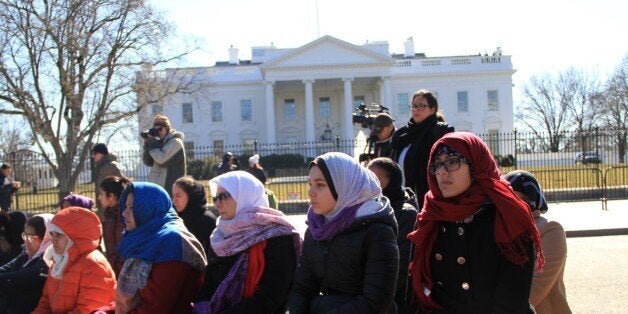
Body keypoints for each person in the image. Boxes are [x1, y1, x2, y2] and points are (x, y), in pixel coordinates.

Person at [407, 132, 543, 313]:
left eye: (452, 161)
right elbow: (415, 289)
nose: (441, 171)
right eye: (437, 164)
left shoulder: (508, 215)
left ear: (476, 166)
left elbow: (511, 302)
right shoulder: (431, 215)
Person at [287, 152, 399, 313]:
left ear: (344, 185)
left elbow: (375, 301)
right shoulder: (316, 229)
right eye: (310, 184)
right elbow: (302, 288)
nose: (311, 192)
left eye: (320, 185)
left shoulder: (377, 231)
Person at [195, 171, 301, 313]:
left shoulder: (278, 237)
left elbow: (269, 298)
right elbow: (209, 286)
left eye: (224, 196)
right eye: (216, 198)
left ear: (245, 195)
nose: (218, 204)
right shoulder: (220, 236)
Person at [115, 182, 207, 313]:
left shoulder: (171, 242)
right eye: (125, 206)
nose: (124, 213)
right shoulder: (140, 239)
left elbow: (155, 308)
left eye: (131, 207)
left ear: (148, 208)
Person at [505, 170, 571, 314]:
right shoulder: (502, 231)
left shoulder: (550, 229)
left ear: (531, 199)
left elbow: (537, 285)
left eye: (515, 198)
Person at [33, 207, 116, 313]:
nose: (53, 240)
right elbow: (46, 302)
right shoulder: (59, 260)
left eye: (59, 235)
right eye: (52, 234)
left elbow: (87, 310)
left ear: (74, 237)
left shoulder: (94, 264)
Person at [367, 157, 418, 314]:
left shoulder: (406, 212)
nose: (369, 183)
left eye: (375, 178)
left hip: (394, 299)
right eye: (367, 177)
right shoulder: (367, 207)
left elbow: (403, 262)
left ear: (393, 181)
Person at [390, 90, 453, 208]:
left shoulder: (440, 132)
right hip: (404, 198)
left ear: (433, 109)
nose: (416, 109)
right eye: (414, 106)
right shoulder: (402, 134)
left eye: (421, 106)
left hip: (431, 196)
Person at [0, 214, 52, 313]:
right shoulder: (26, 254)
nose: (26, 241)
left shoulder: (47, 260)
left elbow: (18, 278)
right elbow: (7, 268)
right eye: (25, 235)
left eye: (31, 237)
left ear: (45, 238)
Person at [142, 114, 186, 195]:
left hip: (170, 188)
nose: (158, 132)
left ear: (167, 129)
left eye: (160, 129)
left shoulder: (176, 142)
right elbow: (147, 162)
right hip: (157, 187)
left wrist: (152, 143)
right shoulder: (158, 143)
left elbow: (161, 160)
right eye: (155, 130)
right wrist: (148, 144)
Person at [172, 176, 217, 256]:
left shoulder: (206, 220)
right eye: (173, 196)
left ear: (192, 196)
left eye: (178, 196)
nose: (174, 201)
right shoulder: (175, 218)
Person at [97, 176, 131, 275]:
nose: (99, 197)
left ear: (111, 196)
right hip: (113, 269)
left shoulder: (124, 217)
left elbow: (122, 249)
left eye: (101, 194)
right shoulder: (109, 214)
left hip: (123, 271)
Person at [92, 143, 123, 214]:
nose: (93, 156)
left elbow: (120, 184)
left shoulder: (110, 166)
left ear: (102, 153)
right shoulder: (101, 166)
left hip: (111, 204)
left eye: (95, 153)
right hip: (105, 203)